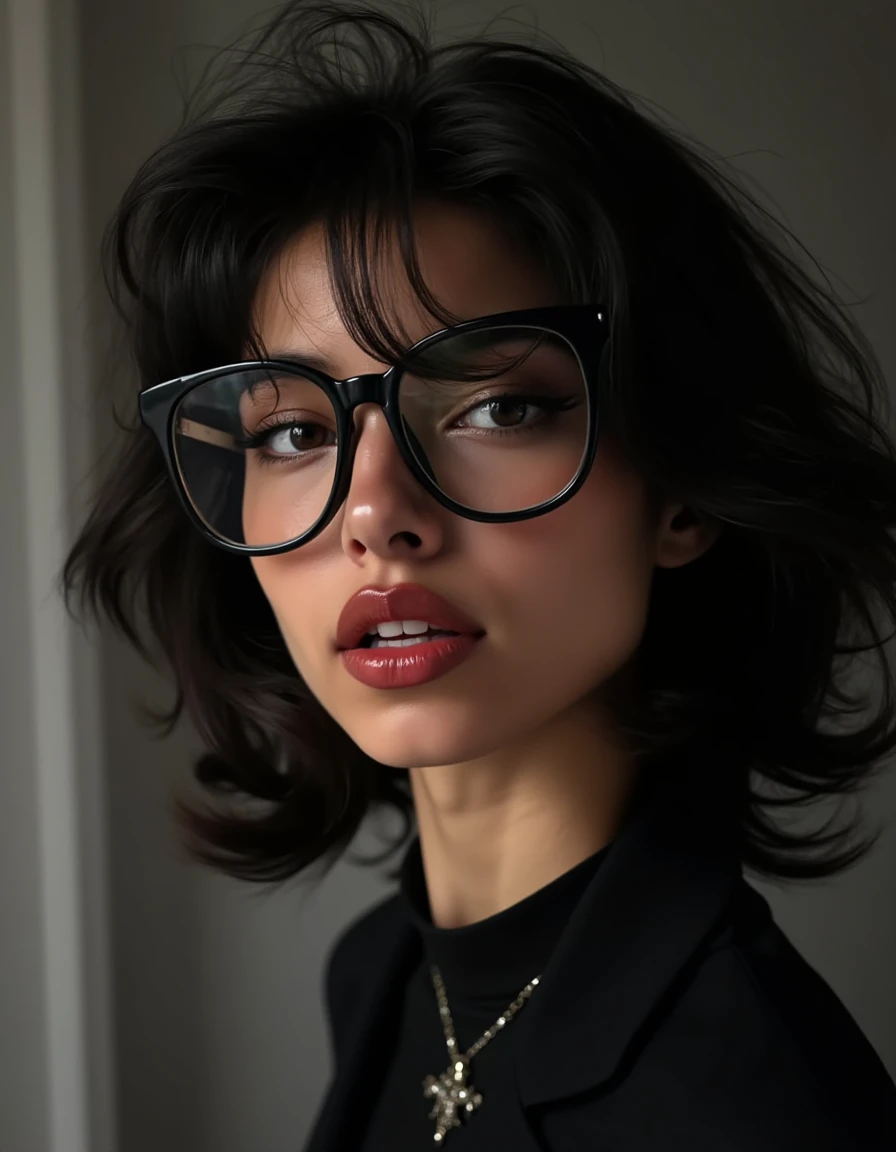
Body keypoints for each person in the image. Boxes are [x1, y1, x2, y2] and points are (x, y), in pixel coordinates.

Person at [62, 1, 896, 1148]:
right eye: (293, 434)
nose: (374, 515)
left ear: (681, 490)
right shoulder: (379, 975)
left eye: (497, 408)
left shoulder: (746, 1094)